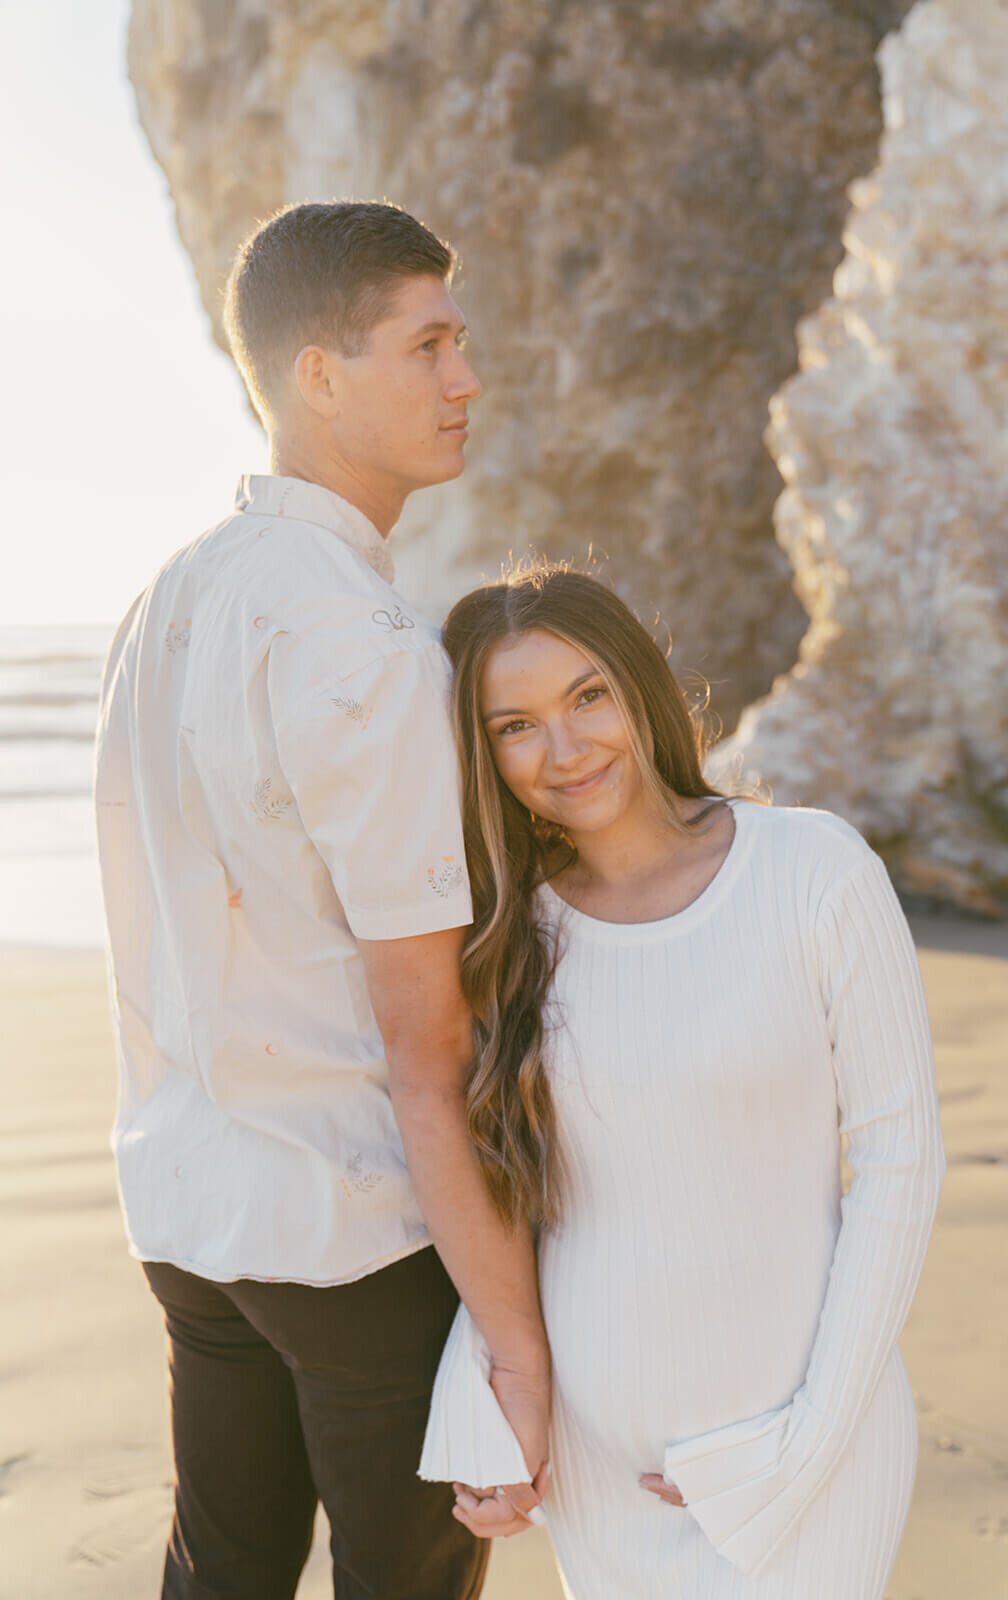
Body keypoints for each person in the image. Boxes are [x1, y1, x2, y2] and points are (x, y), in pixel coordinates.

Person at [93, 201, 549, 1600]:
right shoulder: (362, 644)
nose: (465, 379)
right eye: (427, 344)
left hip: (190, 1208)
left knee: (218, 1576)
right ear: (318, 374)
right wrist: (517, 1344)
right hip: (350, 1231)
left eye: (459, 342)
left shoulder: (170, 598)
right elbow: (424, 1038)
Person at [417, 566, 946, 1599]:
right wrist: (475, 1402)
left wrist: (804, 1446)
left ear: (637, 687)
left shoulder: (812, 869)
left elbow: (899, 1161)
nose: (564, 750)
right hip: (599, 1463)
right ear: (485, 757)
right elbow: (508, 1195)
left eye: (586, 697)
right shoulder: (509, 937)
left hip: (810, 1446)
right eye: (514, 725)